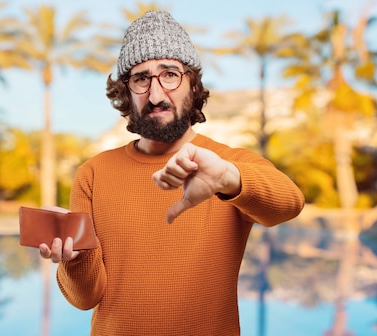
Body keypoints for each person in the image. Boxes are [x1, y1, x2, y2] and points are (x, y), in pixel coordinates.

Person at [37, 10, 305, 336]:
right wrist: (75, 258)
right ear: (126, 92)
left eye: (170, 74)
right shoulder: (93, 174)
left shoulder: (226, 163)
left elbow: (290, 203)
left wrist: (227, 179)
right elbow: (85, 299)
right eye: (140, 78)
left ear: (192, 84)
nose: (156, 94)